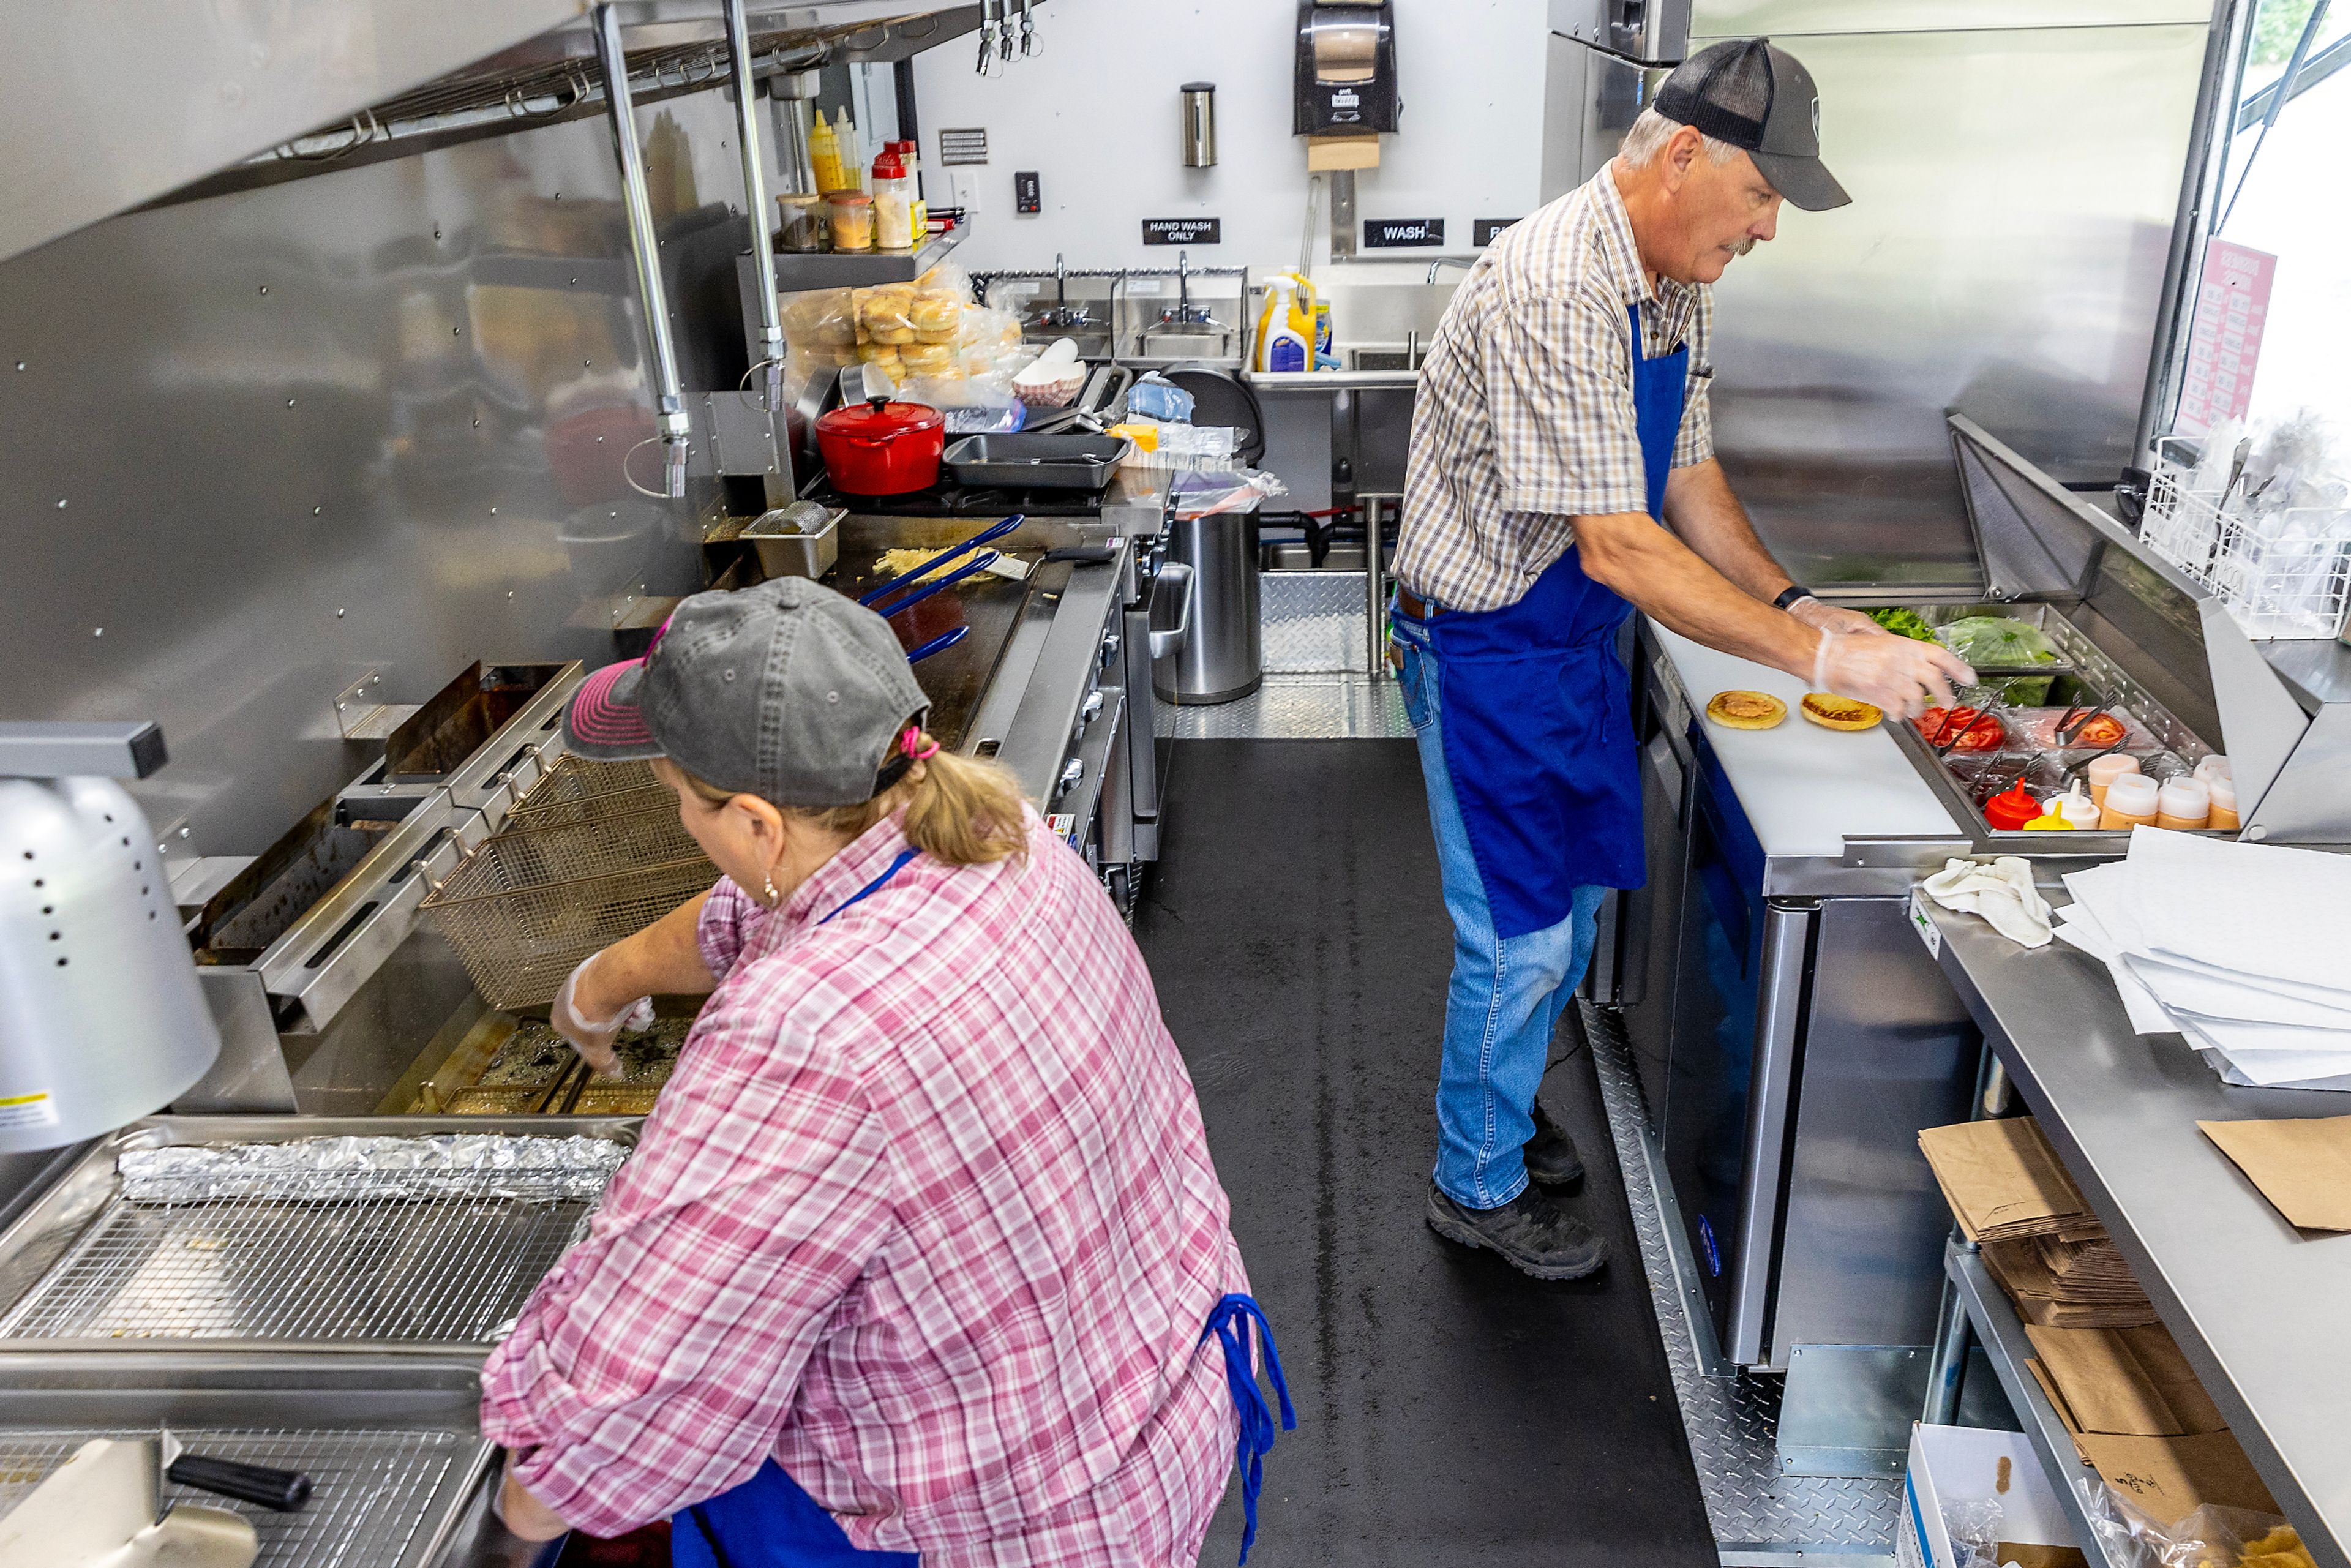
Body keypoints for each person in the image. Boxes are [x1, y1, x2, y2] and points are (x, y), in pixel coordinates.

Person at [481, 577, 1292, 1564]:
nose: (680, 820)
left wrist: (511, 1530)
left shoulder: (802, 1036)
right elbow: (753, 916)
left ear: (755, 825)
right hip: (1156, 1410)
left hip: (1015, 1529)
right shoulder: (995, 833)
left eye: (679, 801)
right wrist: (601, 982)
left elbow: (641, 1399)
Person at [1390, 39, 1974, 1280]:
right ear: (1690, 153)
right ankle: (1471, 1181)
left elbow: (1688, 476)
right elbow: (1618, 544)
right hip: (1489, 650)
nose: (1768, 231)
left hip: (1573, 648)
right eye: (1765, 196)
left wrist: (1805, 601)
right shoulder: (1560, 283)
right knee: (1519, 937)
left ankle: (1497, 1106)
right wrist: (1818, 655)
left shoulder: (1674, 281)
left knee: (1580, 903)